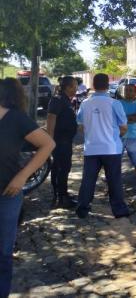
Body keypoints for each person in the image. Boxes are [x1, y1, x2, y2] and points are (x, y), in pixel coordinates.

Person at [0, 78, 55, 297]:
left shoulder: (15, 119)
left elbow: (48, 144)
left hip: (7, 194)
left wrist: (22, 176)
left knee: (3, 253)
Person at [75, 73, 130, 219]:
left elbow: (80, 126)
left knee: (88, 179)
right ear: (107, 85)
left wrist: (93, 133)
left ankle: (82, 209)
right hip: (111, 149)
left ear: (93, 85)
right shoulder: (115, 103)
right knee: (114, 180)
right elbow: (124, 128)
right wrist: (114, 137)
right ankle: (119, 210)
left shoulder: (85, 103)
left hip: (91, 148)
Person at [46, 76, 79, 208]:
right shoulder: (58, 100)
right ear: (68, 87)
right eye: (75, 86)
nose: (76, 89)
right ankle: (61, 198)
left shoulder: (65, 100)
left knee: (61, 168)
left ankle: (61, 194)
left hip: (65, 141)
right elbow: (50, 118)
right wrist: (49, 141)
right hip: (60, 141)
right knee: (62, 168)